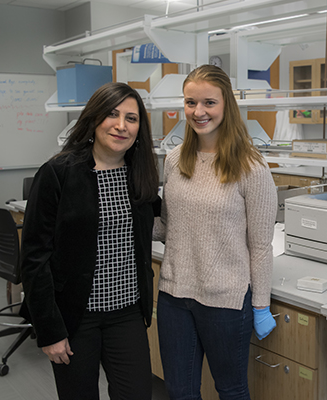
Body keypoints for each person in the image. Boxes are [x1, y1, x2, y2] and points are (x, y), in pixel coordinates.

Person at [19, 82, 160, 400]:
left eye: (132, 118)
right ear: (94, 119)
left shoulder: (141, 174)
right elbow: (34, 256)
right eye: (112, 114)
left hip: (126, 313)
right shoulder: (59, 173)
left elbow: (153, 227)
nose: (121, 125)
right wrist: (49, 330)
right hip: (75, 315)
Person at [153, 64, 277, 399]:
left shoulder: (251, 166)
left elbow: (261, 244)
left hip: (225, 300)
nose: (199, 111)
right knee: (179, 391)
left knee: (231, 390)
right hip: (174, 296)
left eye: (209, 102)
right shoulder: (174, 159)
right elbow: (167, 225)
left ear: (226, 106)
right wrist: (124, 215)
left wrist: (261, 304)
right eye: (191, 103)